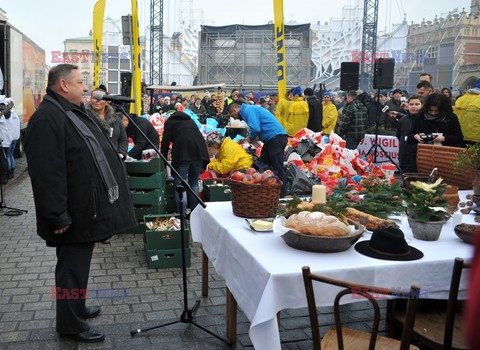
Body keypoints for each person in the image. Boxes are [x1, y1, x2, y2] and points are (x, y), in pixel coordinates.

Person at [24, 64, 136, 343]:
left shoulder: (67, 111)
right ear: (63, 85)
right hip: (71, 213)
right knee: (71, 270)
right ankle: (70, 325)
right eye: (79, 82)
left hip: (84, 208)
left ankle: (75, 308)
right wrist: (57, 215)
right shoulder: (48, 118)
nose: (85, 87)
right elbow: (47, 173)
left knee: (78, 267)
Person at [228, 102, 288, 195]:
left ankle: (281, 193)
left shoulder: (248, 110)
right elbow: (259, 128)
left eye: (232, 115)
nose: (234, 118)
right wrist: (247, 139)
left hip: (276, 138)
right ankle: (264, 190)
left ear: (235, 110)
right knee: (263, 164)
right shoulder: (250, 110)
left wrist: (249, 138)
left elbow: (255, 129)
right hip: (271, 139)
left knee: (277, 165)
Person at [161, 111, 209, 211]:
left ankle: (181, 215)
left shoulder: (170, 123)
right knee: (194, 183)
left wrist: (163, 161)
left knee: (180, 185)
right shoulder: (190, 121)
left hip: (183, 154)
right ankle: (195, 213)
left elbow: (165, 143)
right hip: (199, 152)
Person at [86, 86, 128, 160]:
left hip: (115, 161)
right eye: (94, 98)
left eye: (101, 98)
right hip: (94, 161)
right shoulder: (85, 117)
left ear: (106, 102)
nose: (97, 101)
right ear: (90, 100)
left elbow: (123, 139)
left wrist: (121, 154)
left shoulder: (115, 118)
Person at [393, 95, 423, 174]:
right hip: (404, 157)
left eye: (417, 104)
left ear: (422, 105)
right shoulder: (402, 120)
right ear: (408, 105)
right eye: (411, 104)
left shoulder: (425, 120)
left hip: (420, 157)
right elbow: (399, 136)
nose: (413, 106)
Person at [0, 96, 20, 179]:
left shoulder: (4, 115)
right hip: (14, 138)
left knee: (6, 157)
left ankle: (7, 173)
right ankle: (11, 172)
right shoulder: (13, 114)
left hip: (6, 140)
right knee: (10, 156)